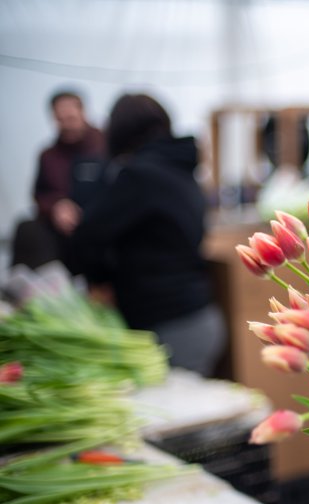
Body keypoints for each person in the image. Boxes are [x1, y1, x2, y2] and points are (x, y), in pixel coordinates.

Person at [69, 93, 226, 377]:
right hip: (199, 318)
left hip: (169, 327)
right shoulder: (183, 171)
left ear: (119, 132)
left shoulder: (138, 177)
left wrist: (99, 280)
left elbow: (87, 234)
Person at [11, 90, 106, 270]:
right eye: (60, 120)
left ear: (83, 112)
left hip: (101, 223)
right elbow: (40, 194)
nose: (66, 125)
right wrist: (57, 206)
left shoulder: (105, 144)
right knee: (28, 229)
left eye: (70, 118)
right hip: (62, 231)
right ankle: (39, 291)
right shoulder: (48, 156)